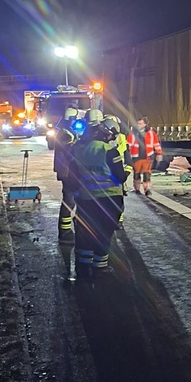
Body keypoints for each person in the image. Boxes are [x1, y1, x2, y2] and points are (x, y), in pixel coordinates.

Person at [69, 109, 127, 280]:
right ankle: (100, 268)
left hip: (86, 200)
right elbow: (120, 176)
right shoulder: (109, 151)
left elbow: (73, 178)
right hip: (110, 201)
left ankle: (84, 269)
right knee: (104, 233)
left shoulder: (78, 150)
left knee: (86, 234)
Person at [54, 106, 80, 246]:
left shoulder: (66, 131)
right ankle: (64, 232)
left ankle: (66, 230)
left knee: (70, 200)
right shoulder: (66, 133)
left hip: (67, 171)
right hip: (68, 172)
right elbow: (71, 151)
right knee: (69, 201)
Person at [127, 116, 163, 196]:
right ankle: (136, 189)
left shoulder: (151, 133)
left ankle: (147, 189)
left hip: (148, 157)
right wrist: (128, 156)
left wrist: (159, 153)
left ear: (145, 124)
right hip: (136, 157)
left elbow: (156, 144)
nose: (138, 125)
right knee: (136, 174)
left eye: (140, 123)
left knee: (147, 174)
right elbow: (128, 145)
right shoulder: (132, 133)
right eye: (138, 123)